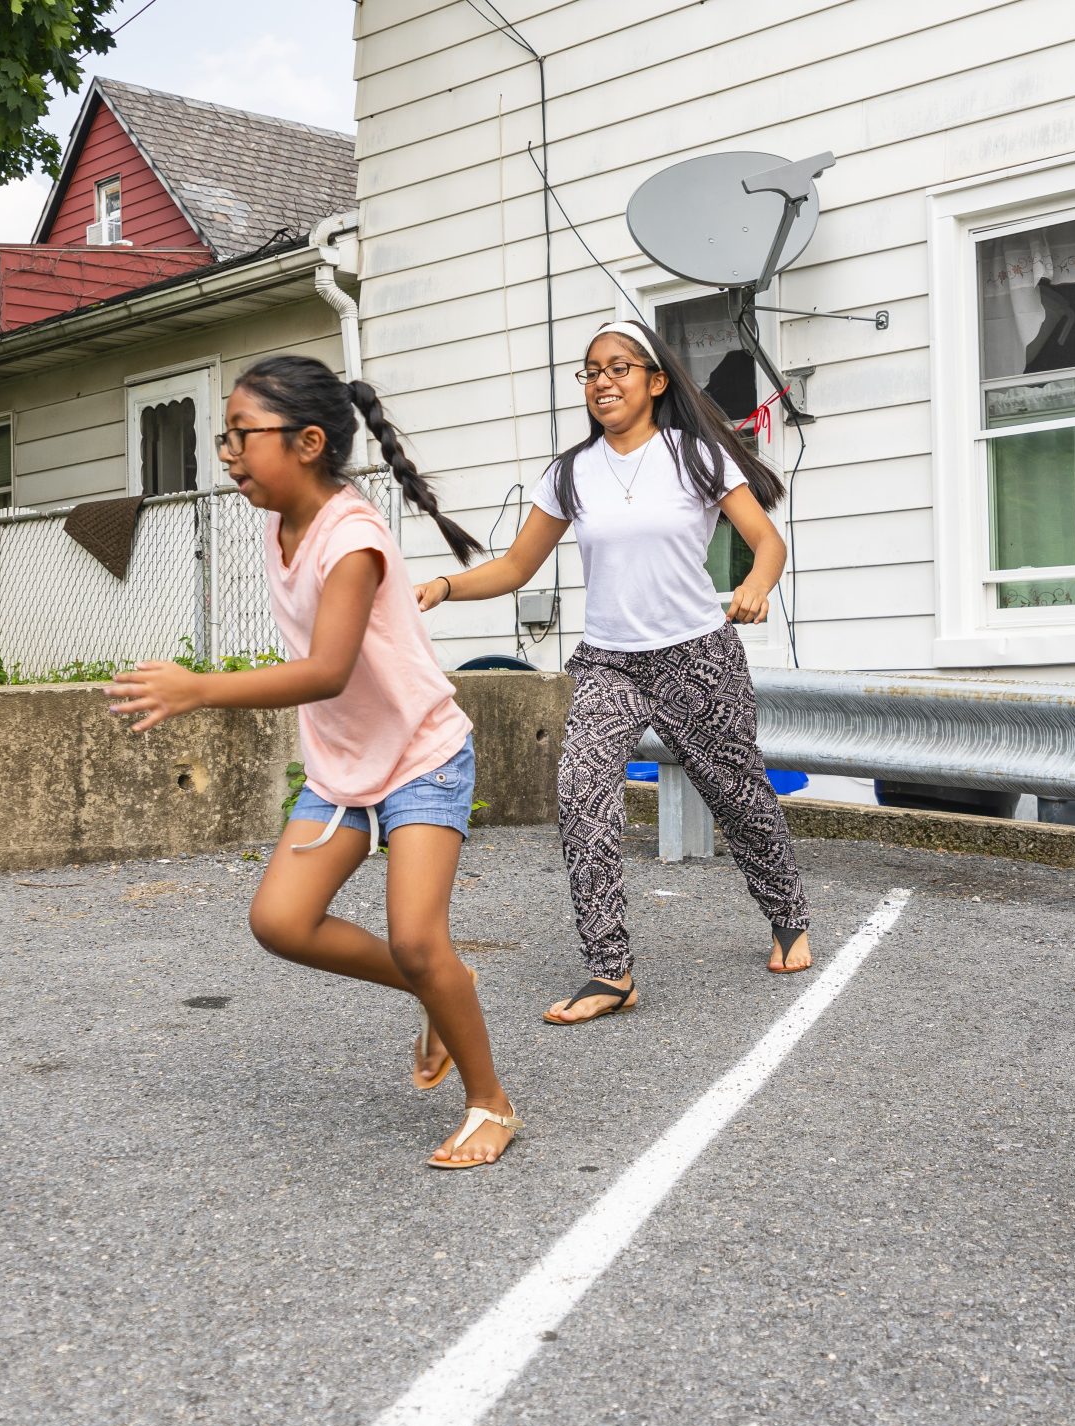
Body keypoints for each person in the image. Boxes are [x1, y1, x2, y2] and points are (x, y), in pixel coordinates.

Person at [106, 356, 522, 1170]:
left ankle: (490, 1103)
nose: (226, 453)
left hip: (421, 755)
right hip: (341, 764)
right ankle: (434, 986)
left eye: (240, 435)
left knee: (416, 937)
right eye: (222, 436)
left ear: (306, 441)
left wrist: (199, 689)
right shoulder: (276, 520)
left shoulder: (353, 540)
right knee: (281, 922)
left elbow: (328, 668)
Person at [414, 319, 809, 1026]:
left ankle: (787, 916)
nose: (603, 381)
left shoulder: (696, 456)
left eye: (620, 367)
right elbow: (514, 567)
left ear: (656, 382)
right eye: (591, 371)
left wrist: (757, 583)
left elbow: (766, 539)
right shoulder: (571, 473)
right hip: (608, 661)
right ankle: (609, 970)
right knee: (580, 791)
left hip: (695, 653)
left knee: (739, 796)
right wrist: (443, 587)